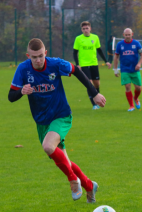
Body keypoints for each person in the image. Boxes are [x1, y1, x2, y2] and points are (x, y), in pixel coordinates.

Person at [8, 38, 106, 203]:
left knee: (48, 146)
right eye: (34, 57)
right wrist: (22, 92)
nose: (38, 60)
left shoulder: (55, 64)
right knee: (63, 160)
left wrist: (94, 93)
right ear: (28, 56)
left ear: (45, 53)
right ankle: (89, 185)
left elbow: (76, 71)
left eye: (40, 56)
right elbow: (11, 97)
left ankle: (73, 181)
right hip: (42, 121)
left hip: (61, 115)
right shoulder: (23, 69)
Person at [73, 21, 111, 110]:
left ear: (90, 28)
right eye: (84, 29)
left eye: (87, 28)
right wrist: (78, 64)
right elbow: (75, 53)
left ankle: (98, 99)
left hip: (94, 63)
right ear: (81, 30)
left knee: (97, 84)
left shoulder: (95, 37)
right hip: (84, 64)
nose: (85, 30)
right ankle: (94, 104)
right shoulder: (78, 39)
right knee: (89, 83)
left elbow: (99, 50)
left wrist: (106, 61)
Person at [114, 28, 142, 112]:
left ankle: (136, 98)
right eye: (126, 35)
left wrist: (139, 64)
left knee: (138, 88)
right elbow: (116, 57)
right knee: (127, 86)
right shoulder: (120, 44)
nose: (127, 36)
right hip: (124, 69)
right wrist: (115, 69)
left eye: (129, 35)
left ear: (132, 34)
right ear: (123, 35)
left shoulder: (136, 43)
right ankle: (131, 106)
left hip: (135, 70)